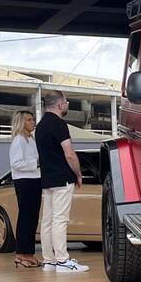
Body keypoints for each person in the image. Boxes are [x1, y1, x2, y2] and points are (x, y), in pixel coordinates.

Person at [35, 90, 90, 272]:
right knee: (60, 220)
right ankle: (62, 261)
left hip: (47, 179)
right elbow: (69, 154)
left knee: (47, 220)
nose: (67, 105)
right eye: (66, 102)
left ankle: (49, 260)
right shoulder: (59, 124)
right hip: (62, 178)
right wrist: (79, 174)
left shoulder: (41, 126)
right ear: (60, 105)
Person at [8, 110, 42, 268]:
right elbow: (16, 164)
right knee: (25, 218)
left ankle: (29, 253)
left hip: (34, 181)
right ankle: (21, 253)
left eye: (33, 119)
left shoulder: (31, 139)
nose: (33, 122)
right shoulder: (18, 140)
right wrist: (35, 163)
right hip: (24, 182)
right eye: (29, 119)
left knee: (32, 219)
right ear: (21, 122)